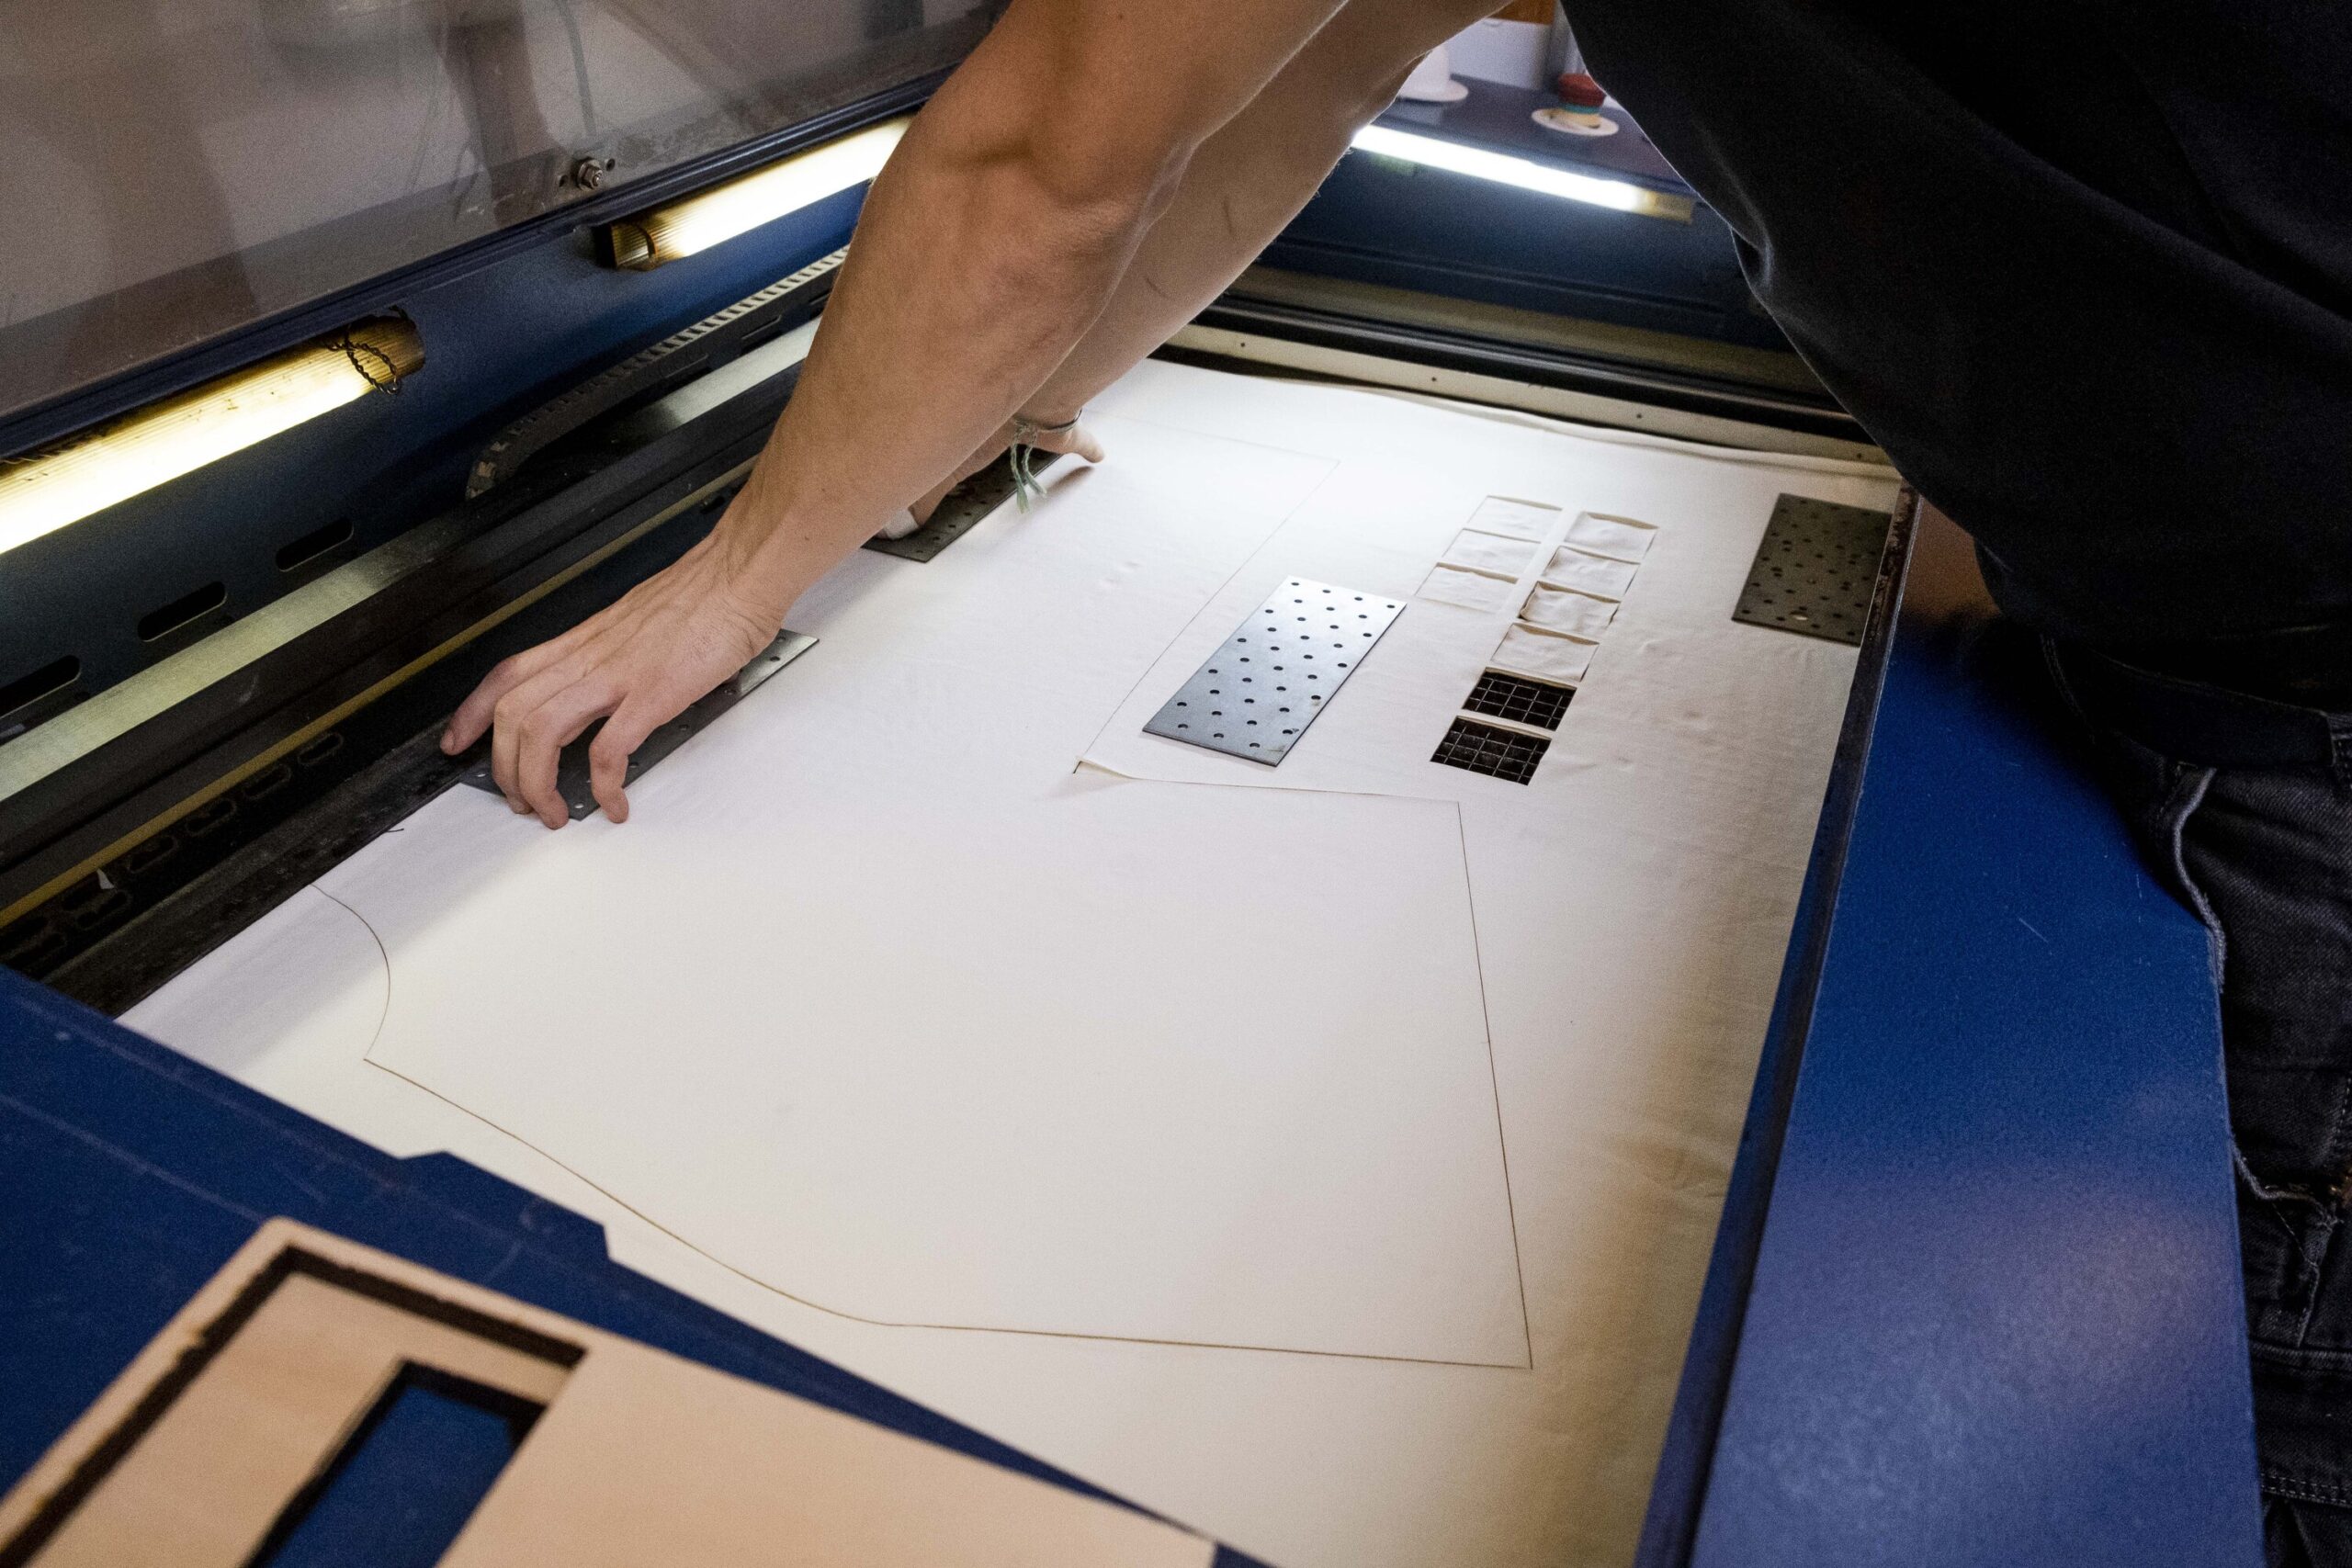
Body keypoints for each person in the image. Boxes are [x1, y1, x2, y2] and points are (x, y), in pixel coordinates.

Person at [442, 3, 2352, 1558]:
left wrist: (727, 588)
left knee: (2281, 1396)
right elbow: (1310, 72)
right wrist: (1003, 417)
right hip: (2231, 611)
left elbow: (1044, 160)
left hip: (2298, 692)